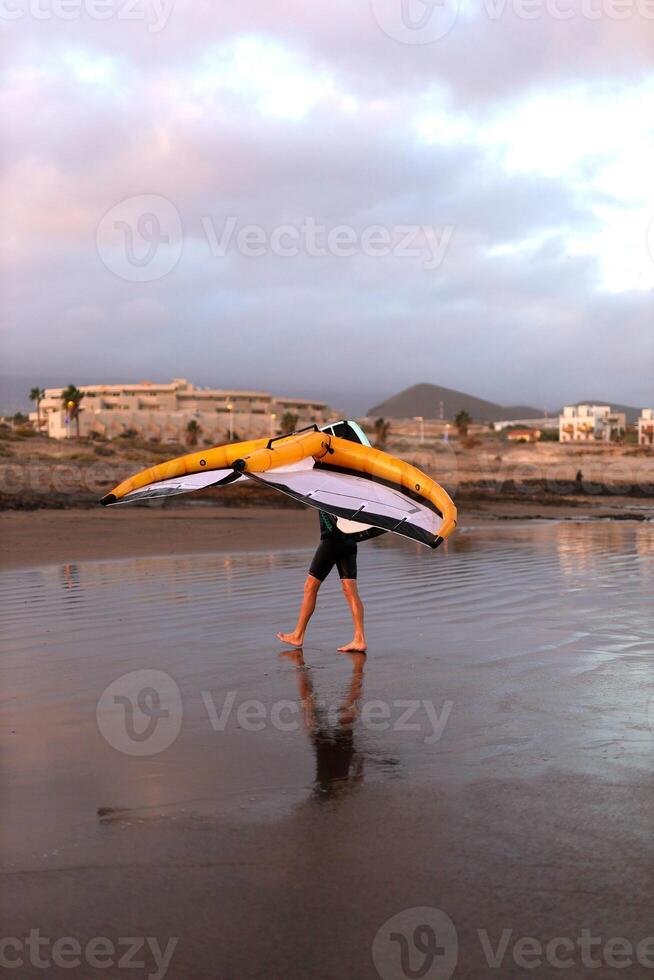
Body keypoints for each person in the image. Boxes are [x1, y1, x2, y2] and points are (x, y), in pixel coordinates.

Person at [277, 510, 385, 653]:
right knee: (350, 591)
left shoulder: (325, 489)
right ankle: (359, 639)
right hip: (349, 541)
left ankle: (298, 635)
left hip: (332, 540)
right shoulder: (345, 491)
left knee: (310, 586)